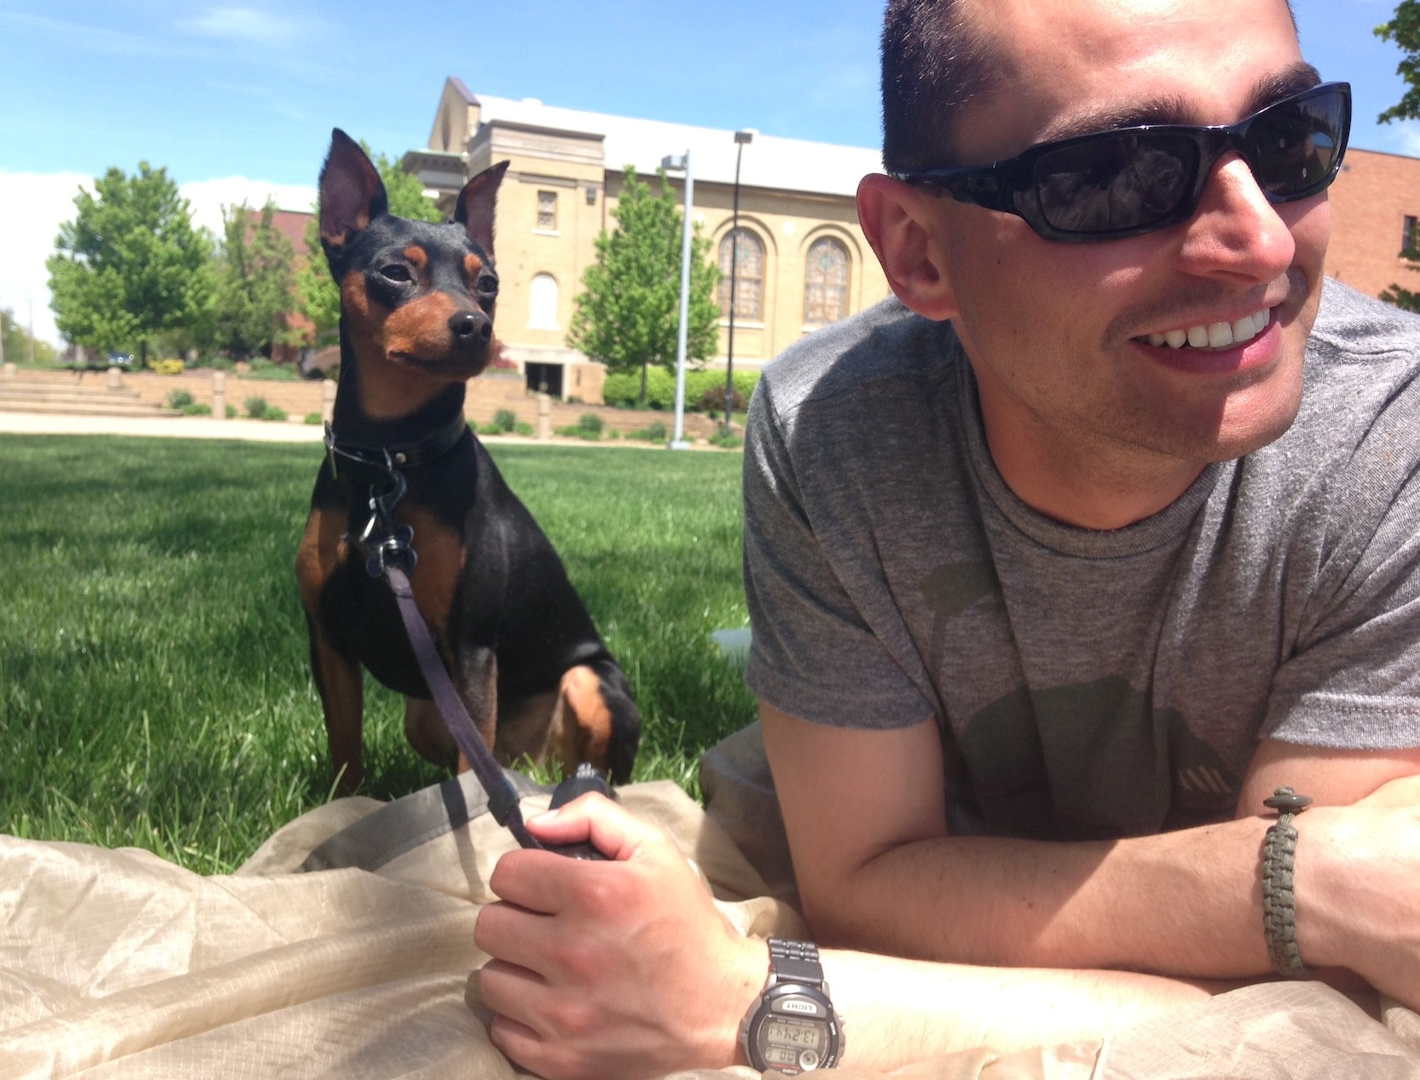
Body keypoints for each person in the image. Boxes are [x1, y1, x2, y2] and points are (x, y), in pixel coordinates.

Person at [474, 0, 1420, 1076]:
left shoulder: (1395, 440)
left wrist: (755, 1000)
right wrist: (1296, 883)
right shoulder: (831, 427)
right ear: (918, 251)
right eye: (1122, 173)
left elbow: (1305, 1002)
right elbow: (867, 885)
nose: (1257, 238)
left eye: (1289, 137)